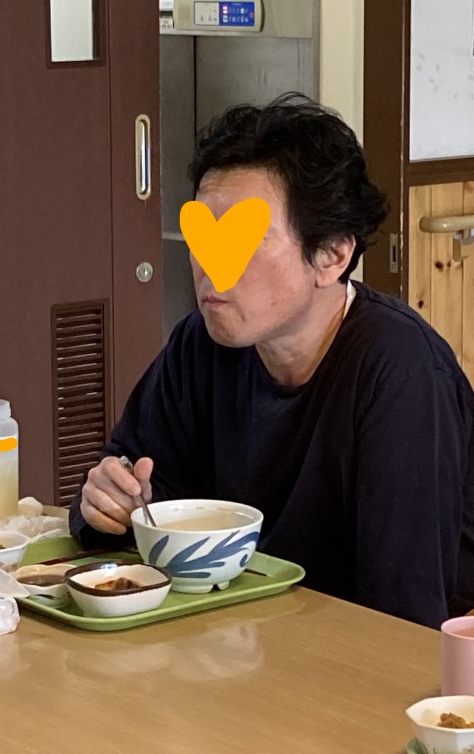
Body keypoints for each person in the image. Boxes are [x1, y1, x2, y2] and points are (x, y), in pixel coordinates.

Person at [70, 92, 474, 629]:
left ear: (332, 255)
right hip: (237, 633)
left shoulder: (399, 372)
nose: (211, 267)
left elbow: (403, 615)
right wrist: (107, 502)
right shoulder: (200, 345)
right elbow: (132, 488)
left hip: (361, 653)